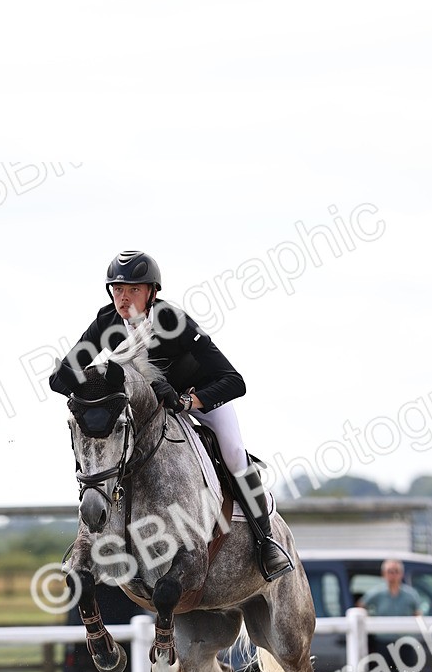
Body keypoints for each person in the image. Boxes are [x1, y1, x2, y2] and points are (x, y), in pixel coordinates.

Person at [49, 249, 293, 581]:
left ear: (152, 292)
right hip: (149, 413)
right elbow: (60, 379)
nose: (124, 297)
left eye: (133, 289)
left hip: (200, 399)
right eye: (118, 289)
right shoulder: (106, 323)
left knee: (234, 455)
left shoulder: (172, 322)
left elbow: (234, 381)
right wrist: (92, 392)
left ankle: (267, 542)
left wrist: (188, 402)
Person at [358, 559, 422, 672]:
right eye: (389, 571)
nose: (392, 575)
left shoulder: (410, 594)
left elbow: (418, 614)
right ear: (383, 574)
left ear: (401, 574)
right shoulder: (376, 593)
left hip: (405, 644)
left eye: (395, 571)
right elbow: (360, 606)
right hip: (383, 644)